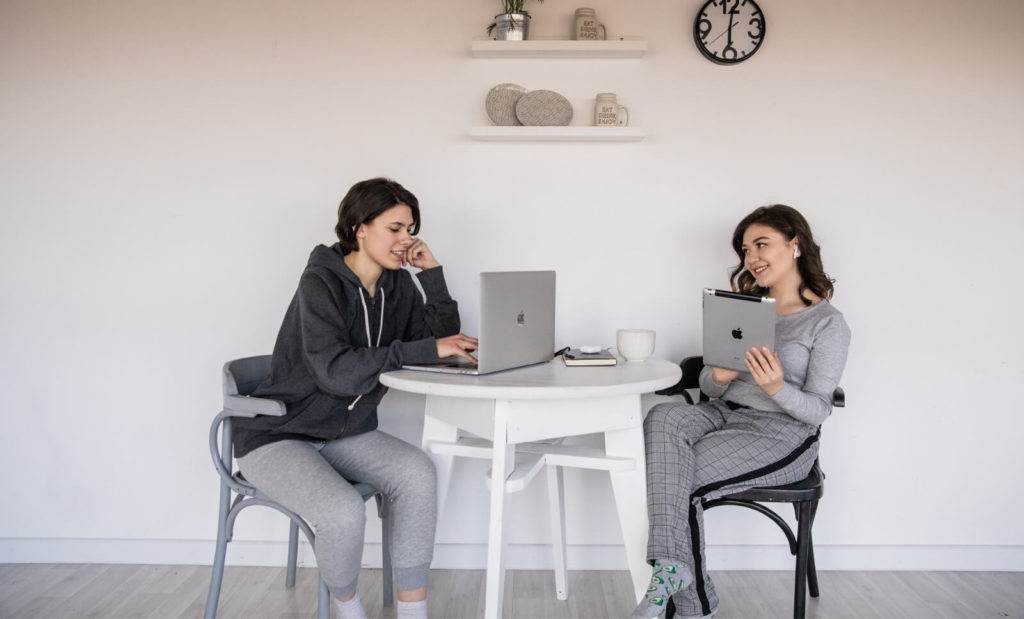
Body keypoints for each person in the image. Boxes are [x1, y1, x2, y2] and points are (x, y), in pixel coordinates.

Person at [231, 177, 478, 619]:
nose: (406, 240)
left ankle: (412, 610)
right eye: (395, 228)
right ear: (359, 227)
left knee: (418, 473)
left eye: (411, 229)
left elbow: (437, 343)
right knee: (343, 511)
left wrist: (432, 276)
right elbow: (338, 373)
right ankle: (347, 607)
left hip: (345, 432)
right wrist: (423, 348)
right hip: (278, 433)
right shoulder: (320, 283)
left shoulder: (396, 285)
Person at [632, 205, 851, 619]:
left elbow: (819, 410)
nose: (751, 258)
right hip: (723, 414)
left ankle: (689, 605)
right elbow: (711, 387)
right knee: (661, 416)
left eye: (761, 244)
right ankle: (672, 567)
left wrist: (776, 388)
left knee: (682, 476)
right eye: (746, 249)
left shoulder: (827, 324)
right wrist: (720, 374)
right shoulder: (744, 308)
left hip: (781, 433)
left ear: (796, 245)